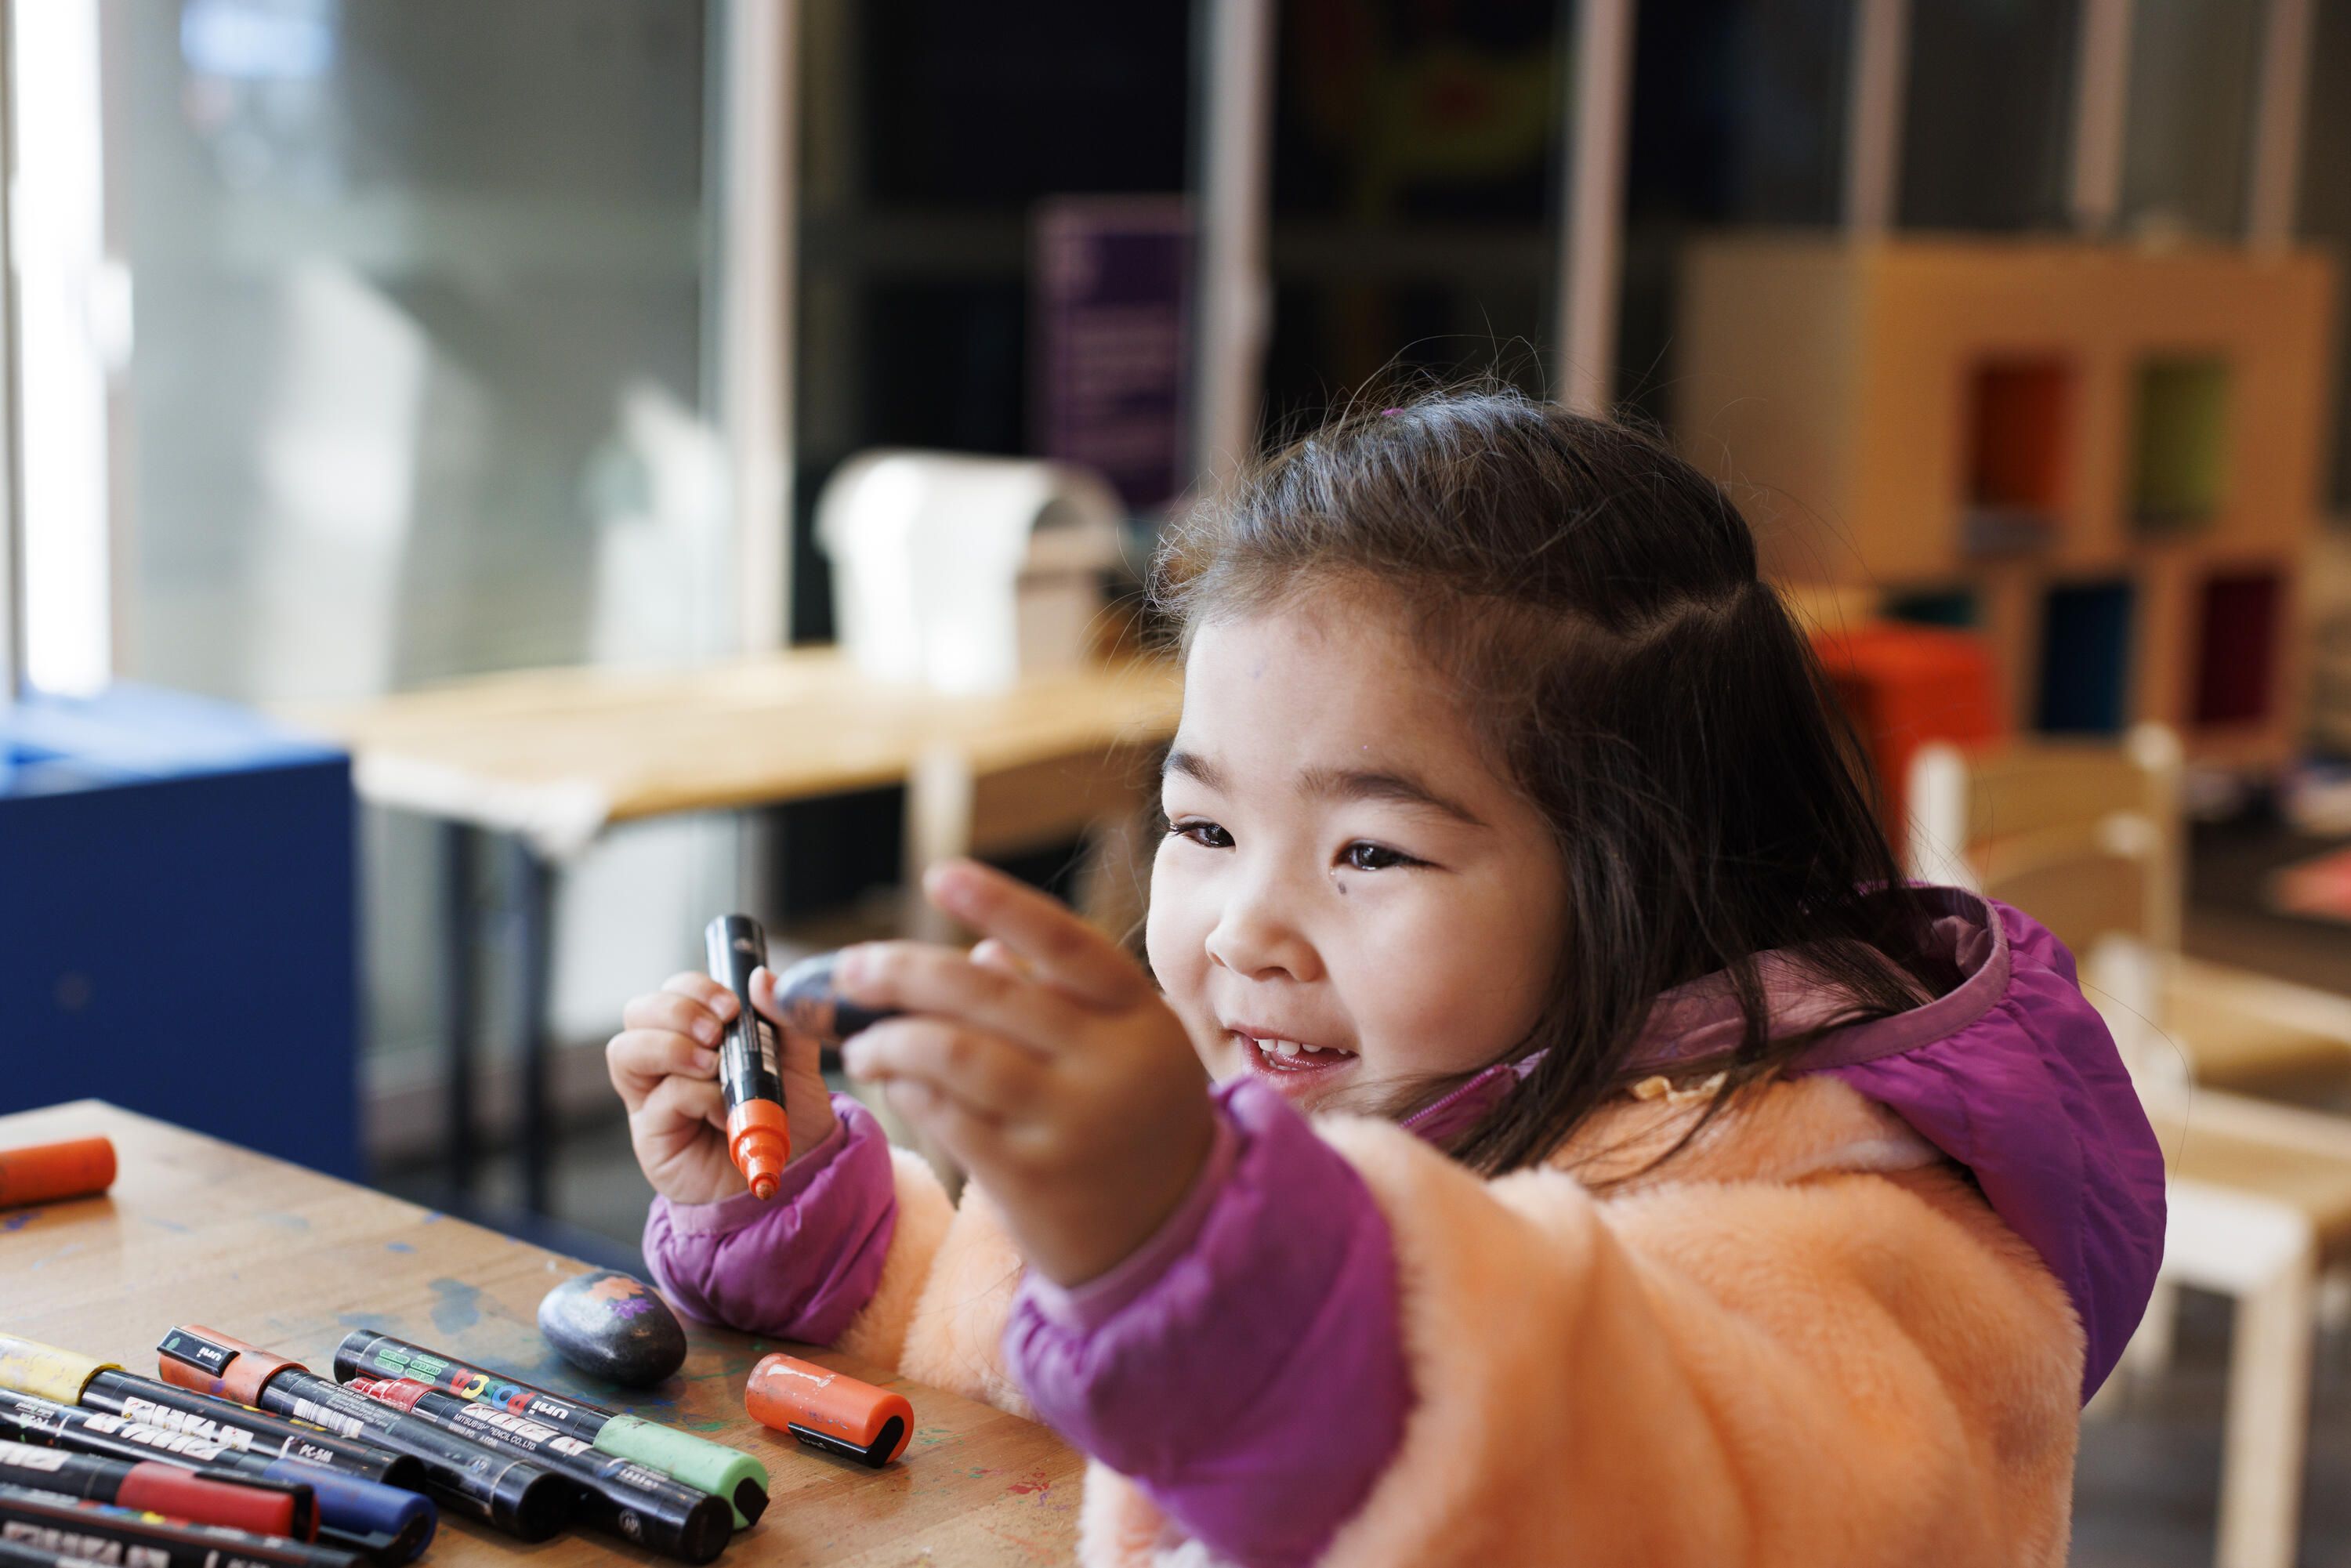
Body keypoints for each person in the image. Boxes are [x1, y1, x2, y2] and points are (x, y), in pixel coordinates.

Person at [607, 389, 2165, 1567]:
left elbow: (1586, 1467)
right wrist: (811, 1215)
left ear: (1645, 875)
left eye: (1370, 853)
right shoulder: (1341, 1073)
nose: (1241, 929)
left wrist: (1192, 1245)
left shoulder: (1867, 1237)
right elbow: (1023, 1391)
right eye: (1204, 824)